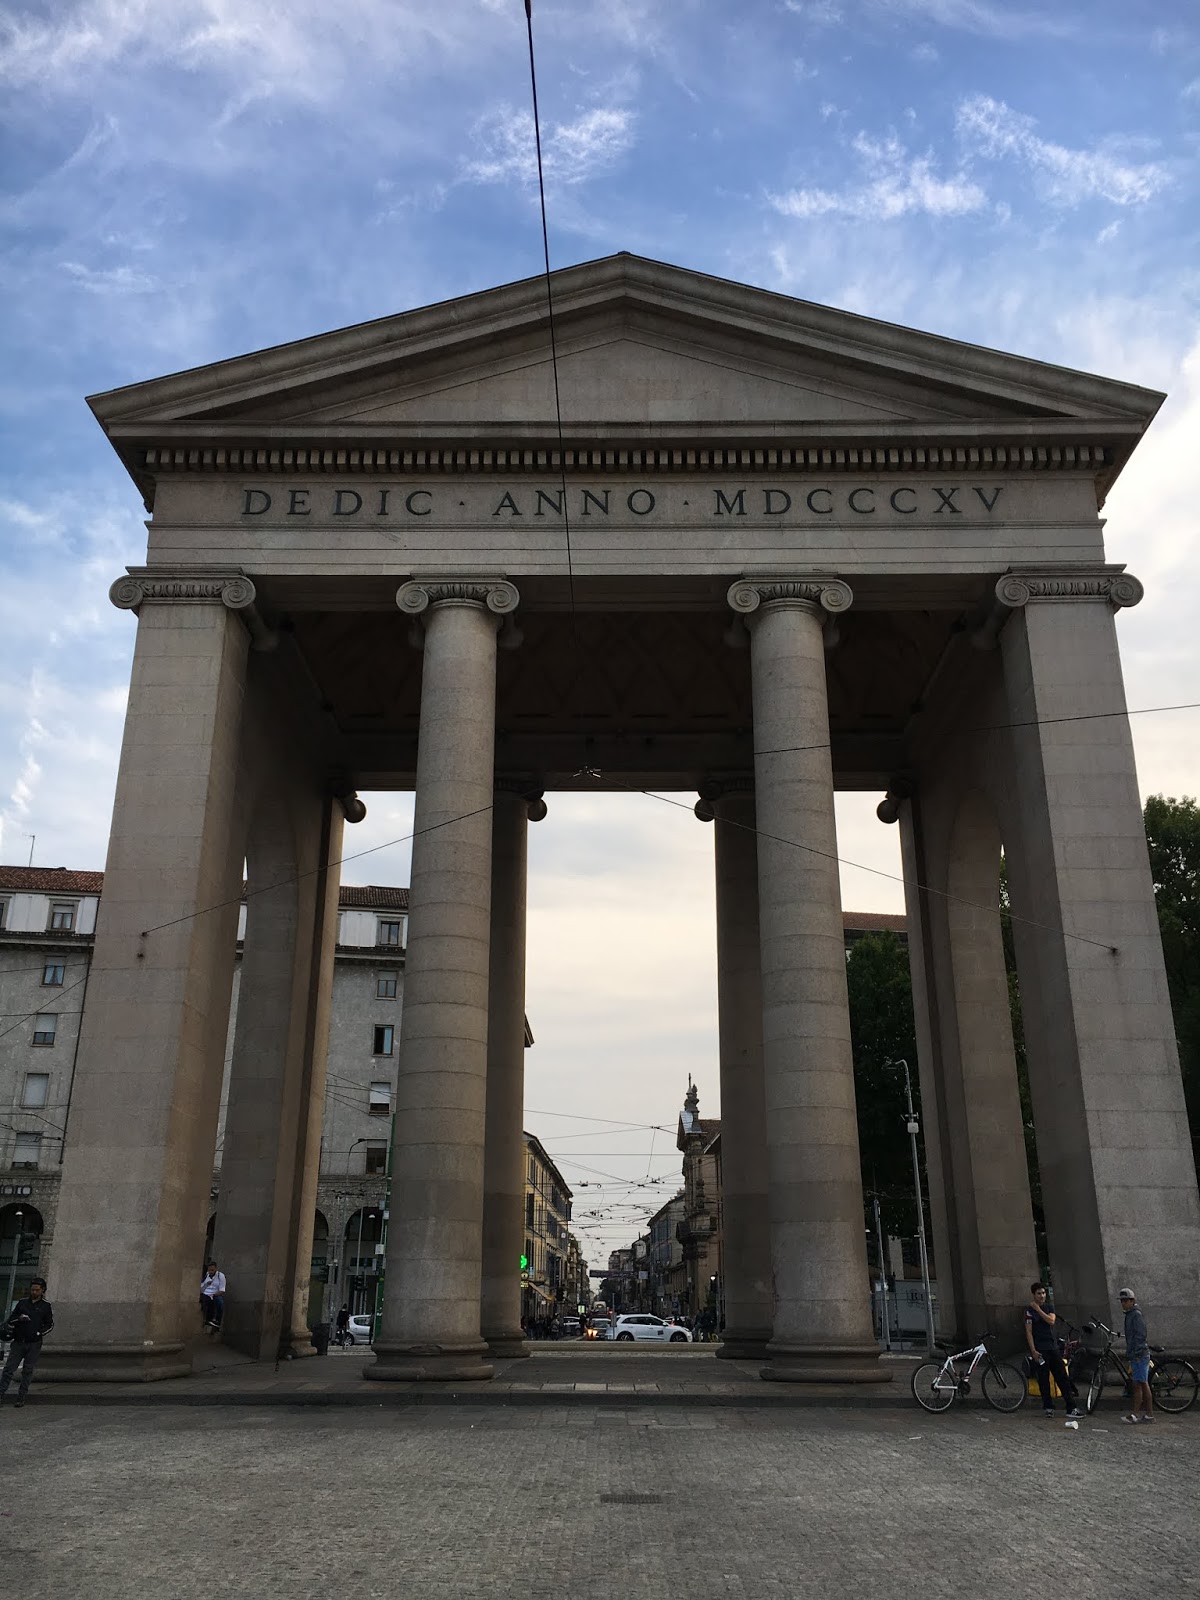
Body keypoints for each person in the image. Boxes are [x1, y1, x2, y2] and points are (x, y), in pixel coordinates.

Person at [1024, 1282, 1082, 1419]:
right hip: (1040, 1348)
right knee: (1043, 1379)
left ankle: (1071, 1407)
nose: (1042, 1296)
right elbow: (1029, 1332)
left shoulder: (1048, 1307)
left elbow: (1051, 1320)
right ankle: (1048, 1407)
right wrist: (1033, 1350)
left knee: (1062, 1377)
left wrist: (1038, 1309)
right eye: (1039, 1293)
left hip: (1052, 1347)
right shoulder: (1028, 1311)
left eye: (1043, 1293)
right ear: (1034, 1295)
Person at [0, 1277, 54, 1408]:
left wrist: (39, 1332)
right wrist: (19, 1319)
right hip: (19, 1341)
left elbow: (50, 1324)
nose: (34, 1292)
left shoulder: (46, 1306)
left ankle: (21, 1396)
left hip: (34, 1342)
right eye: (32, 1289)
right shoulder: (22, 1303)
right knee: (8, 1369)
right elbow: (10, 1320)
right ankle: (1, 1394)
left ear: (42, 1291)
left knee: (27, 1370)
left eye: (37, 1290)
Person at [1119, 1287, 1153, 1424]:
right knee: (1139, 1384)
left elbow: (1140, 1335)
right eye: (1122, 1301)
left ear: (1132, 1301)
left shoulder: (1135, 1315)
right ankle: (1139, 1413)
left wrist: (1136, 1352)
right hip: (1136, 1353)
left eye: (1125, 1300)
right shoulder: (1130, 1314)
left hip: (1139, 1354)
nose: (1123, 1303)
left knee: (1141, 1384)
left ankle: (1143, 1414)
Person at [200, 1260, 227, 1332]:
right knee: (206, 1301)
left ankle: (217, 1321)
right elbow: (201, 1289)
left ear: (216, 1269)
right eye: (209, 1270)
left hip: (216, 1294)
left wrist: (214, 1294)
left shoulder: (220, 1276)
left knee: (220, 1302)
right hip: (206, 1293)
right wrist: (207, 1284)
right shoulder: (206, 1276)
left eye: (212, 1270)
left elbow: (222, 1290)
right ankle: (208, 1319)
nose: (211, 1272)